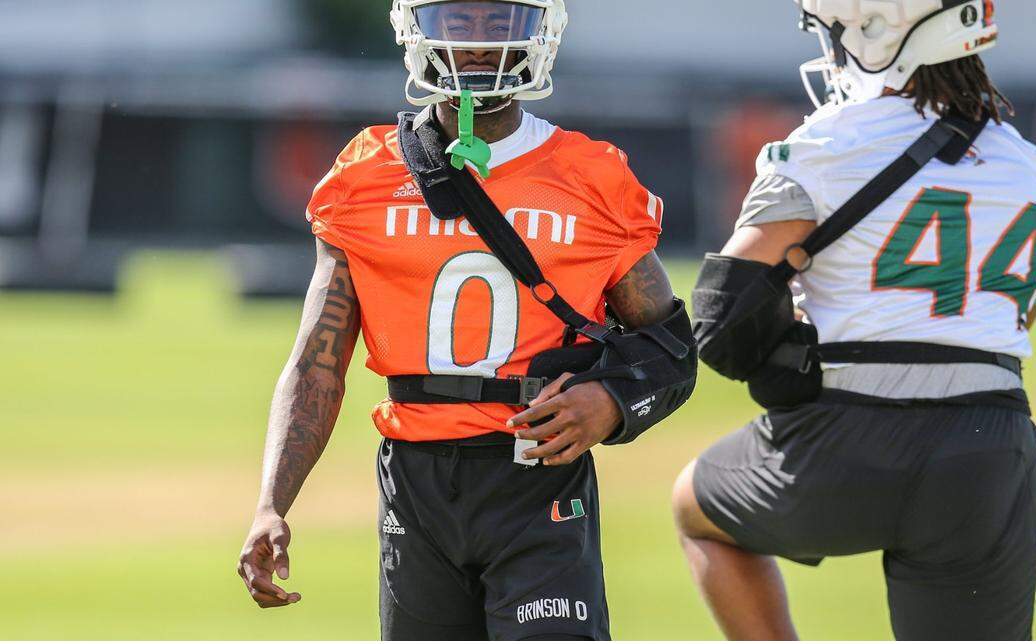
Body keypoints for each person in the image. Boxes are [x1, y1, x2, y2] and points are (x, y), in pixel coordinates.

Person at [236, 2, 696, 640]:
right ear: (418, 29)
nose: (478, 44)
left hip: (537, 476)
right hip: (415, 487)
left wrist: (612, 402)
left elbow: (672, 350)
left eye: (499, 21)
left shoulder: (593, 178)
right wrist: (271, 504)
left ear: (541, 31)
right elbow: (317, 363)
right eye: (459, 21)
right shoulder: (364, 175)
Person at [672, 1, 1036, 640]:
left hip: (848, 433)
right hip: (991, 443)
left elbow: (721, 312)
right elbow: (1016, 319)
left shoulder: (825, 144)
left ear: (874, 29)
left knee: (695, 508)